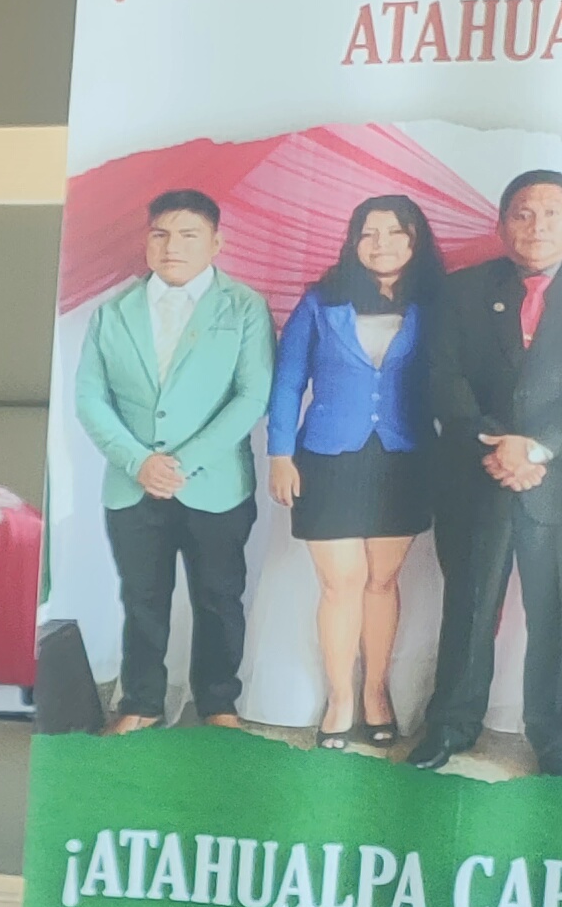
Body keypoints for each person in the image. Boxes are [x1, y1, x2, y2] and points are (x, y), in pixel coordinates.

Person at [412, 169, 562, 779]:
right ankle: (450, 725)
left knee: (560, 615)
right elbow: (444, 375)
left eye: (549, 213)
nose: (536, 225)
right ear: (501, 224)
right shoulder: (462, 288)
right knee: (468, 607)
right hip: (478, 470)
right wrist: (496, 445)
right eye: (522, 212)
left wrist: (538, 448)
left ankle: (556, 739)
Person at [70, 190, 274, 731]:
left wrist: (182, 462)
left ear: (216, 243)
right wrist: (138, 461)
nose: (172, 246)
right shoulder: (113, 311)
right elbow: (89, 398)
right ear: (147, 241)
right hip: (132, 485)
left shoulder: (244, 306)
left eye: (188, 235)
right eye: (160, 234)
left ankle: (219, 704)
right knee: (142, 598)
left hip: (216, 484)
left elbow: (252, 395)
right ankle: (140, 702)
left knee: (219, 597)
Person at [261, 195, 444, 752]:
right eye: (369, 233)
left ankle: (376, 692)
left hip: (404, 458)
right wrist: (280, 453)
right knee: (340, 584)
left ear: (415, 240)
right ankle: (340, 697)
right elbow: (288, 380)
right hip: (327, 458)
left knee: (382, 582)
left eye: (394, 232)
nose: (381, 243)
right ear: (353, 241)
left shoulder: (438, 302)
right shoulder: (321, 301)